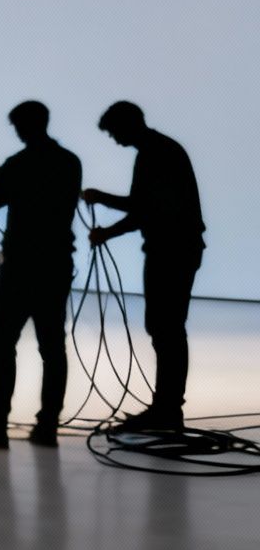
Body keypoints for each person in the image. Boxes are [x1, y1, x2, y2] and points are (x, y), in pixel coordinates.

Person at [0, 101, 82, 448]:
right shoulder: (69, 162)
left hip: (22, 267)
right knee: (53, 346)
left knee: (2, 343)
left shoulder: (19, 164)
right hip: (56, 264)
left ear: (22, 127)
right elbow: (29, 182)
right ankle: (47, 427)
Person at [83, 101, 206, 432]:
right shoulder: (159, 149)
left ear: (126, 126)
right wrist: (104, 205)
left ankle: (167, 409)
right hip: (176, 249)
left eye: (113, 132)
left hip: (172, 251)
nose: (113, 139)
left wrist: (105, 226)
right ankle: (166, 407)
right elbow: (144, 207)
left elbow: (143, 210)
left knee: (166, 329)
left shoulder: (155, 153)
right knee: (166, 328)